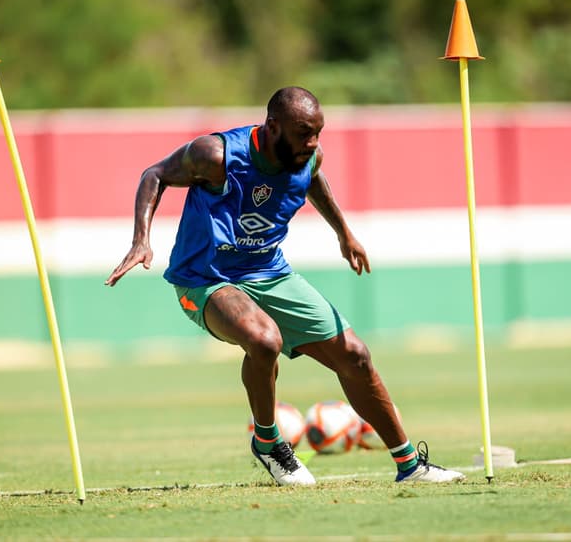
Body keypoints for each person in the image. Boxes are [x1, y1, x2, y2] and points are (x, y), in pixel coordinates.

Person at [106, 86, 464, 486]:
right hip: (205, 279)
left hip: (270, 274)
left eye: (318, 132)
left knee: (355, 354)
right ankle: (268, 442)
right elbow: (153, 174)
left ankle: (410, 465)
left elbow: (313, 180)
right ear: (273, 127)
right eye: (303, 133)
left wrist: (343, 233)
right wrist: (141, 239)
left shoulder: (308, 156)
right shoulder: (216, 155)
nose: (312, 142)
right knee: (264, 340)